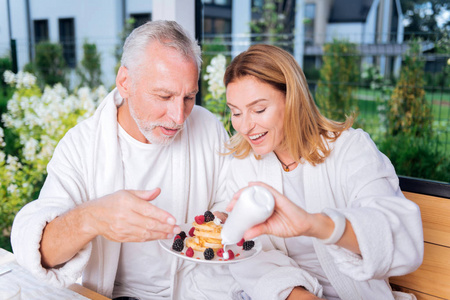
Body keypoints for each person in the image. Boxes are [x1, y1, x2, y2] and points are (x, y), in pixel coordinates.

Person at [11, 20, 240, 299]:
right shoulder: (82, 146)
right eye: (164, 96)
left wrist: (221, 220)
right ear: (125, 82)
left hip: (198, 290)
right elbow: (40, 252)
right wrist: (92, 217)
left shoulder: (207, 127)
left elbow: (229, 199)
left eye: (189, 97)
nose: (179, 117)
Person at [224, 44, 424, 300]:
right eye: (236, 112)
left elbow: (401, 240)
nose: (245, 126)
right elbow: (249, 257)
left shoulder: (350, 149)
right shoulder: (244, 165)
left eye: (259, 110)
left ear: (293, 99)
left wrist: (314, 225)